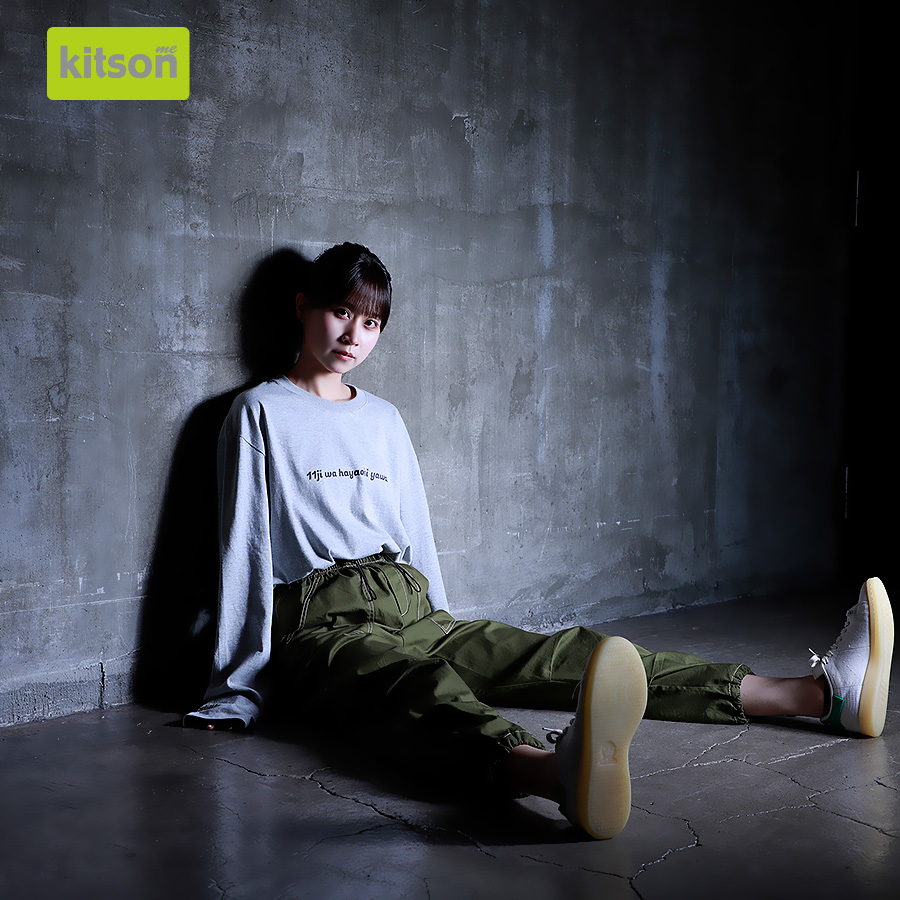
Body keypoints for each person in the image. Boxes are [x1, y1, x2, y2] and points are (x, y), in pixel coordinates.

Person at [185, 242, 894, 840]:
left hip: (409, 604)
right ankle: (551, 772)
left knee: (564, 655)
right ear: (302, 306)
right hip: (322, 623)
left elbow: (414, 533)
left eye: (371, 322)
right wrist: (237, 689)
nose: (353, 335)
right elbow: (244, 548)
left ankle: (815, 695)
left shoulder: (383, 419)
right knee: (416, 687)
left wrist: (438, 620)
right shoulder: (259, 412)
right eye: (341, 312)